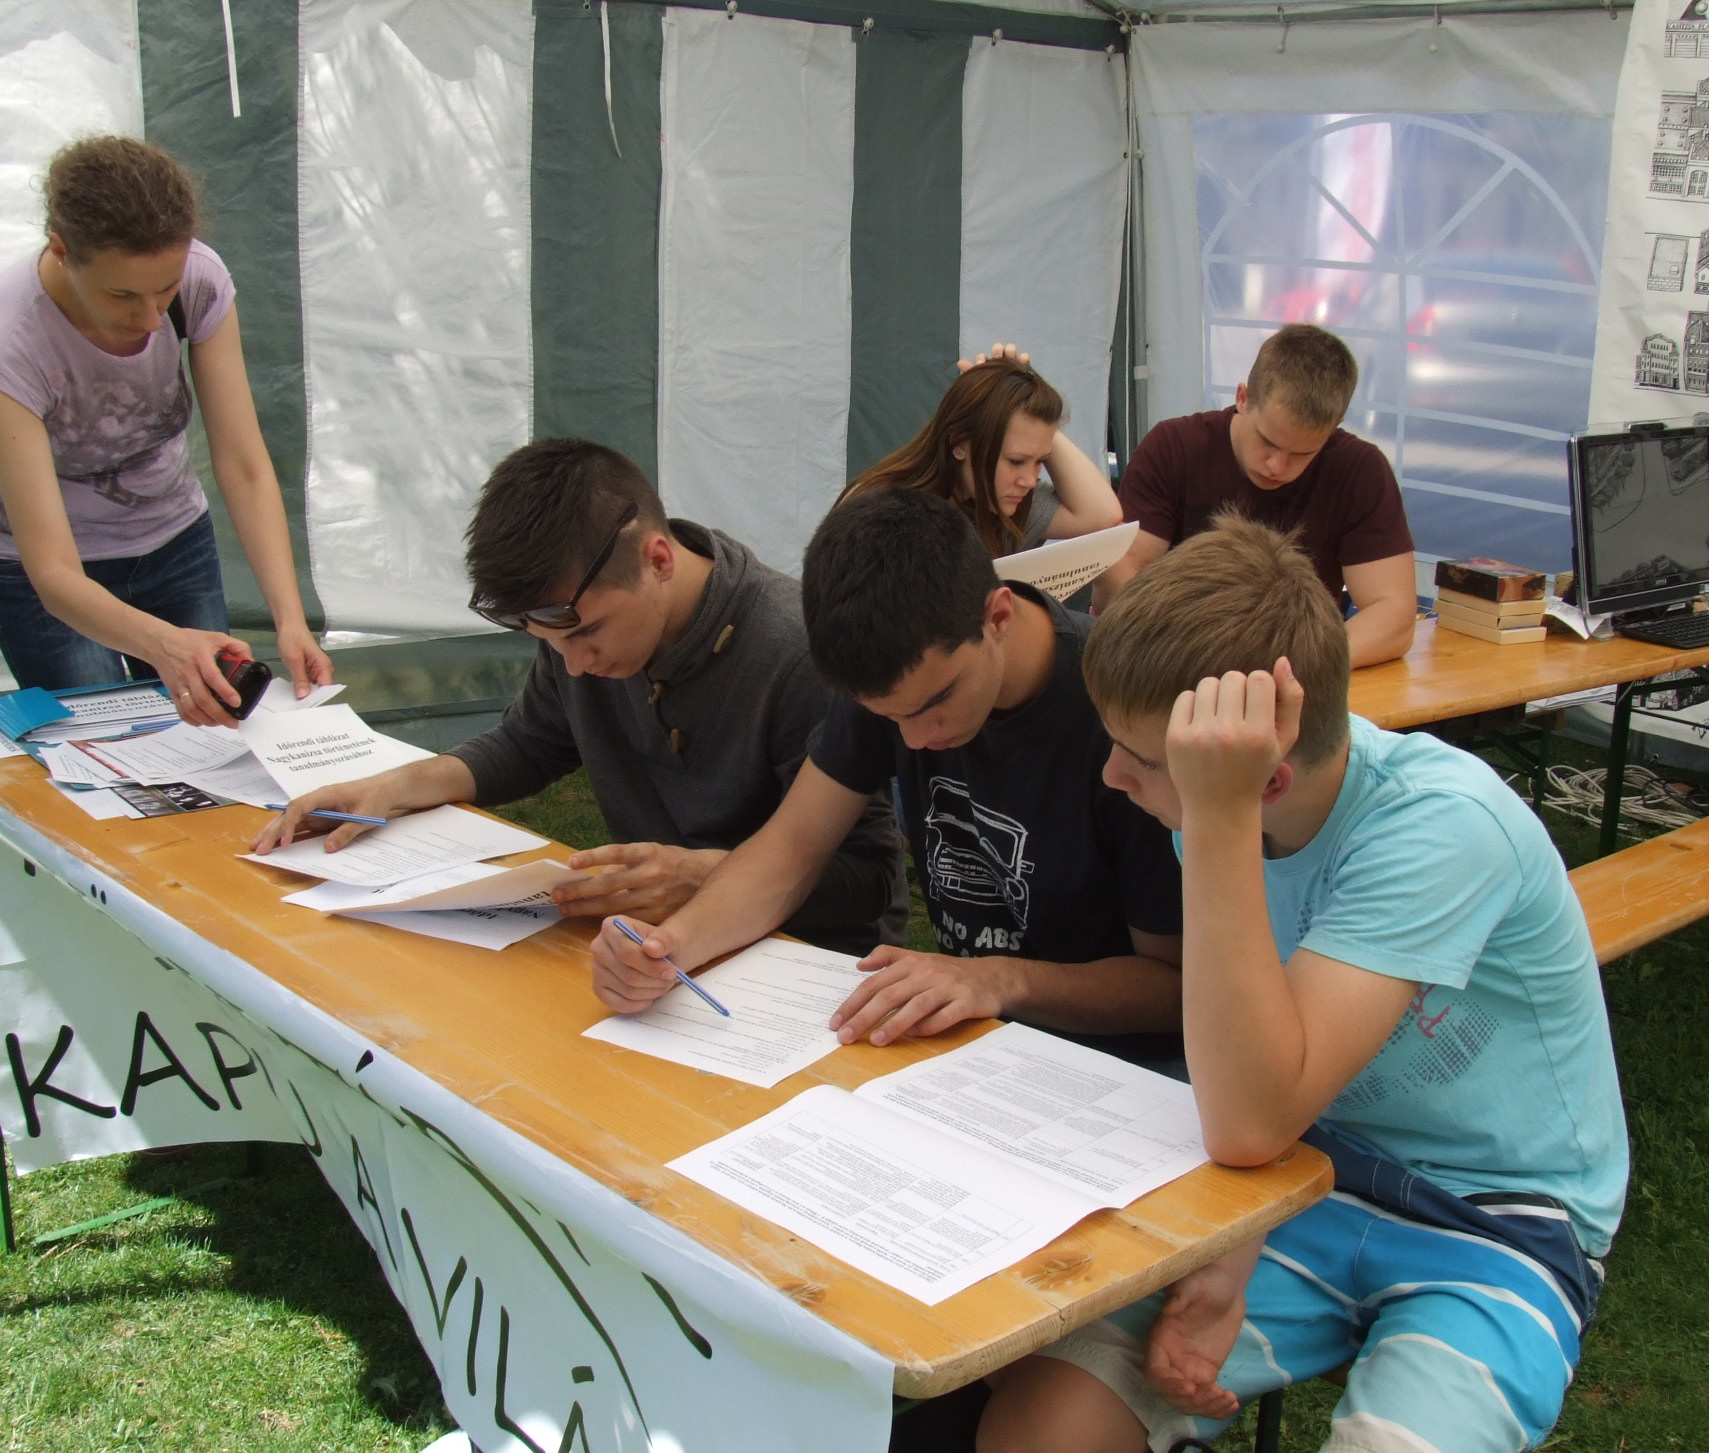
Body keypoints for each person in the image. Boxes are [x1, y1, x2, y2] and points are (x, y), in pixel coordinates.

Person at [977, 520, 1627, 1453]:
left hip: (1495, 1227)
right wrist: (1227, 1248)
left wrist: (1212, 826)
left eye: (1137, 762)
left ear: (1256, 774)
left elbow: (1249, 1112)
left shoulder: (1439, 826)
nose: (1112, 780)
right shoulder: (1216, 807)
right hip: (1308, 1174)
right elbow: (1257, 1091)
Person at [590, 487, 1182, 1061]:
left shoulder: (1125, 716)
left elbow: (1175, 986)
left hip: (1125, 1070)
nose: (916, 739)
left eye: (935, 703)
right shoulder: (896, 677)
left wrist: (1001, 979)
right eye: (890, 718)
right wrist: (671, 946)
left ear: (997, 616)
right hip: (970, 1044)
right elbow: (791, 847)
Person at [255, 439, 907, 953]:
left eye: (586, 634)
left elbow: (869, 882)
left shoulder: (797, 653)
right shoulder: (574, 614)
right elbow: (530, 743)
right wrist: (394, 788)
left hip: (803, 964)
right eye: (550, 643)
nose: (575, 664)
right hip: (653, 946)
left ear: (658, 560)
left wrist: (700, 875)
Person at [0, 135, 328, 725]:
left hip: (172, 537)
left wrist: (290, 618)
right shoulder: (7, 346)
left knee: (213, 730)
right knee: (107, 740)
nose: (152, 317)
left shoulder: (201, 279)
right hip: (52, 570)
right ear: (61, 250)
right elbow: (53, 574)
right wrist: (167, 646)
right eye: (122, 295)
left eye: (165, 289)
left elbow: (243, 463)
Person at [1096, 322, 1418, 667]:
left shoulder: (1360, 470)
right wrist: (1197, 657)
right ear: (1243, 398)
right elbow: (1119, 575)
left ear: (1335, 425)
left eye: (1303, 453)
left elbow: (1395, 616)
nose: (1277, 466)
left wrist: (1295, 666)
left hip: (1294, 669)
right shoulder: (1174, 447)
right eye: (1267, 441)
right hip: (1176, 659)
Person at [843, 349, 1122, 556]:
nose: (1028, 480)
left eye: (1041, 460)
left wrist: (1027, 398)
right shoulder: (878, 509)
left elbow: (1103, 514)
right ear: (959, 443)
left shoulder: (1006, 503)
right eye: (1016, 461)